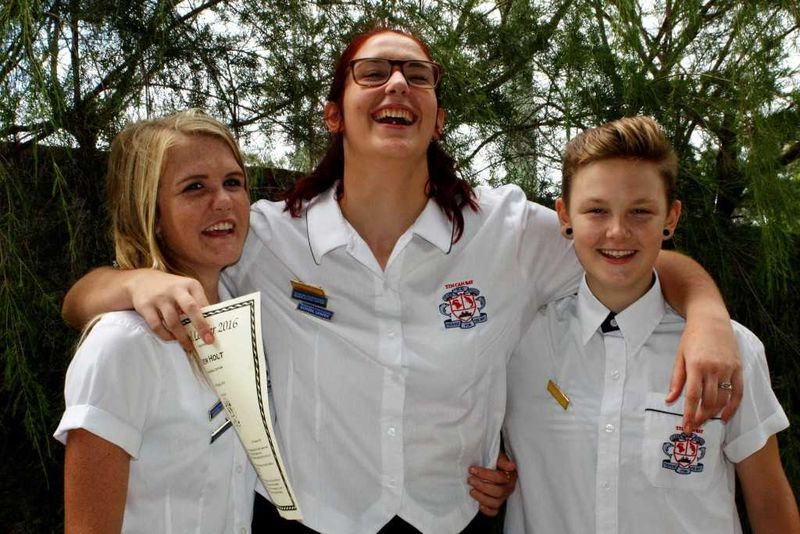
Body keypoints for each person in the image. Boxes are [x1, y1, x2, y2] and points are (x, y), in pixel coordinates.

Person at [62, 28, 742, 534]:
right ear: (333, 113)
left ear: (439, 119)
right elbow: (85, 300)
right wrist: (135, 284)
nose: (397, 84)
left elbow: (628, 252)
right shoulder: (263, 235)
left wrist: (708, 318)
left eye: (417, 74)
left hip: (454, 521)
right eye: (373, 72)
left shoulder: (507, 231)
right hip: (303, 523)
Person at [503, 116, 800, 533]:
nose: (618, 231)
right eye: (597, 210)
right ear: (565, 215)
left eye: (640, 212)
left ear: (670, 218)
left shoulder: (733, 351)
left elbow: (768, 501)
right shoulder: (518, 343)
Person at [54, 110, 258, 533]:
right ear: (152, 214)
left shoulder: (242, 309)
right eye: (194, 187)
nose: (223, 200)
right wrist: (133, 282)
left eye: (233, 182)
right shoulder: (122, 345)